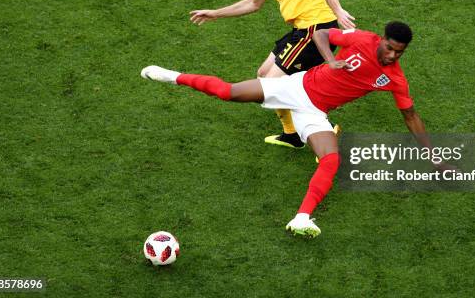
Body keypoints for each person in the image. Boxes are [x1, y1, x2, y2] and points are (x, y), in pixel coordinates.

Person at [141, 21, 453, 237]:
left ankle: (301, 217)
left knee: (331, 159)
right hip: (295, 87)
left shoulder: (395, 78)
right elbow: (321, 35)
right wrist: (330, 60)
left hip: (315, 112)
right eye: (390, 48)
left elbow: (410, 116)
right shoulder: (361, 39)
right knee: (229, 92)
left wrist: (434, 157)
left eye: (399, 52)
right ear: (382, 39)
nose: (392, 55)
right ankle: (171, 75)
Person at [189, 0, 355, 149]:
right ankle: (292, 134)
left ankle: (322, 129)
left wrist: (338, 10)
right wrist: (216, 14)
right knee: (263, 73)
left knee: (271, 84)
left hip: (317, 29)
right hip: (301, 29)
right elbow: (253, 3)